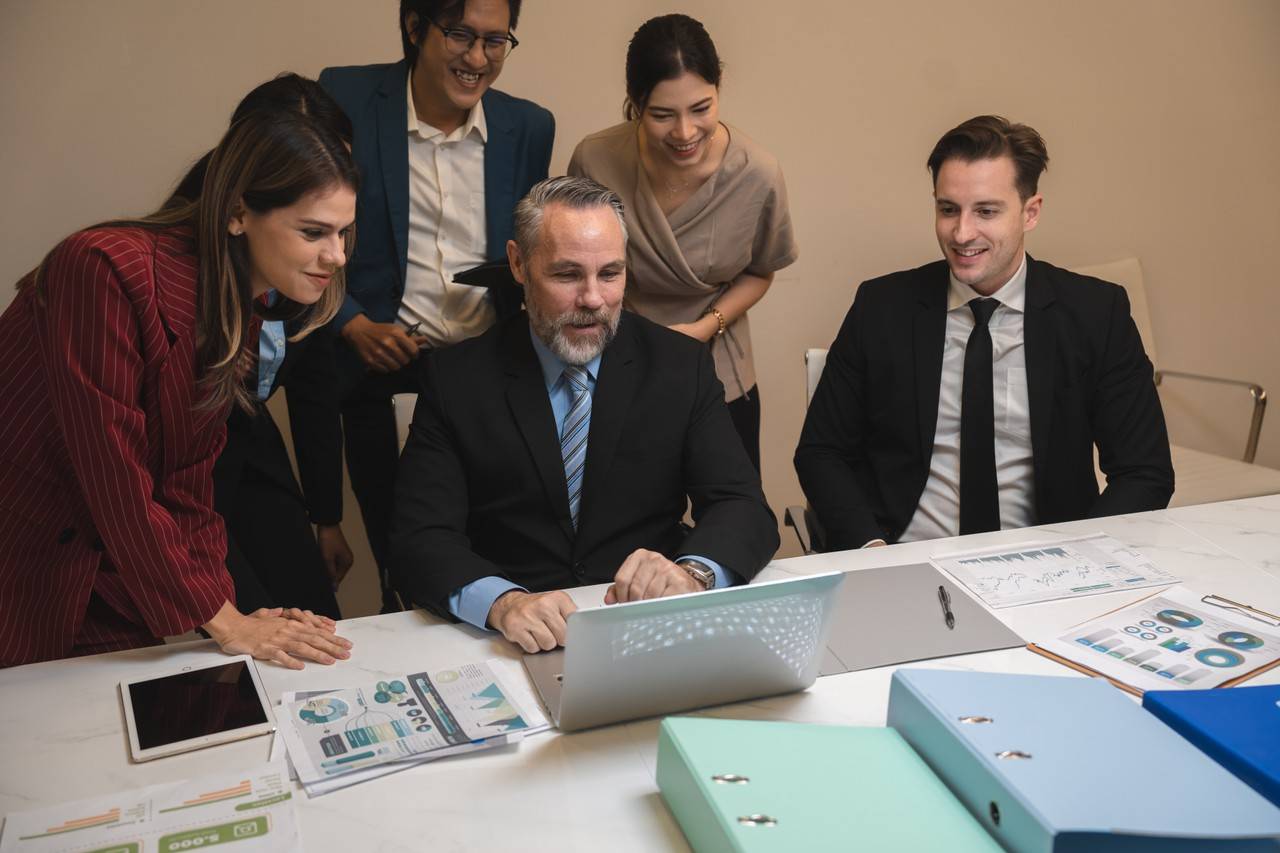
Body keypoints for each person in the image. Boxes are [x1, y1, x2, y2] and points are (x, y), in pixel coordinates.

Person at [0, 105, 359, 668]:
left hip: (104, 565)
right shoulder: (101, 267)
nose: (336, 256)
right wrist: (226, 620)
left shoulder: (240, 309)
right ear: (239, 212)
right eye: (314, 232)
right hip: (27, 560)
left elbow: (189, 485)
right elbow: (115, 471)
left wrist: (228, 608)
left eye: (343, 232)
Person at [390, 177, 778, 653]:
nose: (593, 299)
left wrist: (692, 574)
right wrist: (501, 602)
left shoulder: (679, 366)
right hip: (509, 637)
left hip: (644, 626)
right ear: (518, 263)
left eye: (610, 273)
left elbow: (742, 507)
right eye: (568, 275)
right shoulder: (457, 378)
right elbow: (419, 536)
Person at [795, 115, 1174, 551]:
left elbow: (1145, 472)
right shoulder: (881, 307)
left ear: (1030, 212)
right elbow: (821, 451)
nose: (961, 233)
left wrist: (1078, 556)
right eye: (948, 209)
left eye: (986, 211)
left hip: (1047, 564)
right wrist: (870, 547)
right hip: (903, 555)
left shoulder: (1095, 313)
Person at [311, 0, 554, 610]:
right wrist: (351, 322)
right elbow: (311, 226)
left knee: (499, 554)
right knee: (407, 557)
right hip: (381, 367)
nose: (477, 59)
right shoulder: (347, 97)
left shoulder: (528, 127)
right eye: (460, 35)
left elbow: (522, 253)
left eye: (496, 42)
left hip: (489, 375)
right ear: (416, 28)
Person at [568, 13, 797, 472]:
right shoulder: (595, 159)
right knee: (622, 523)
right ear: (634, 103)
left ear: (719, 89)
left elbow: (760, 270)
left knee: (731, 516)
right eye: (662, 115)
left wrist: (703, 328)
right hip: (615, 364)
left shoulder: (757, 173)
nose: (685, 132)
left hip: (717, 367)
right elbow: (574, 267)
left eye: (701, 108)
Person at [170, 74, 355, 620]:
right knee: (244, 617)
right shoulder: (170, 279)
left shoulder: (328, 241)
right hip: (184, 463)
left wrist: (326, 517)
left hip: (249, 437)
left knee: (312, 612)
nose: (336, 251)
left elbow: (315, 388)